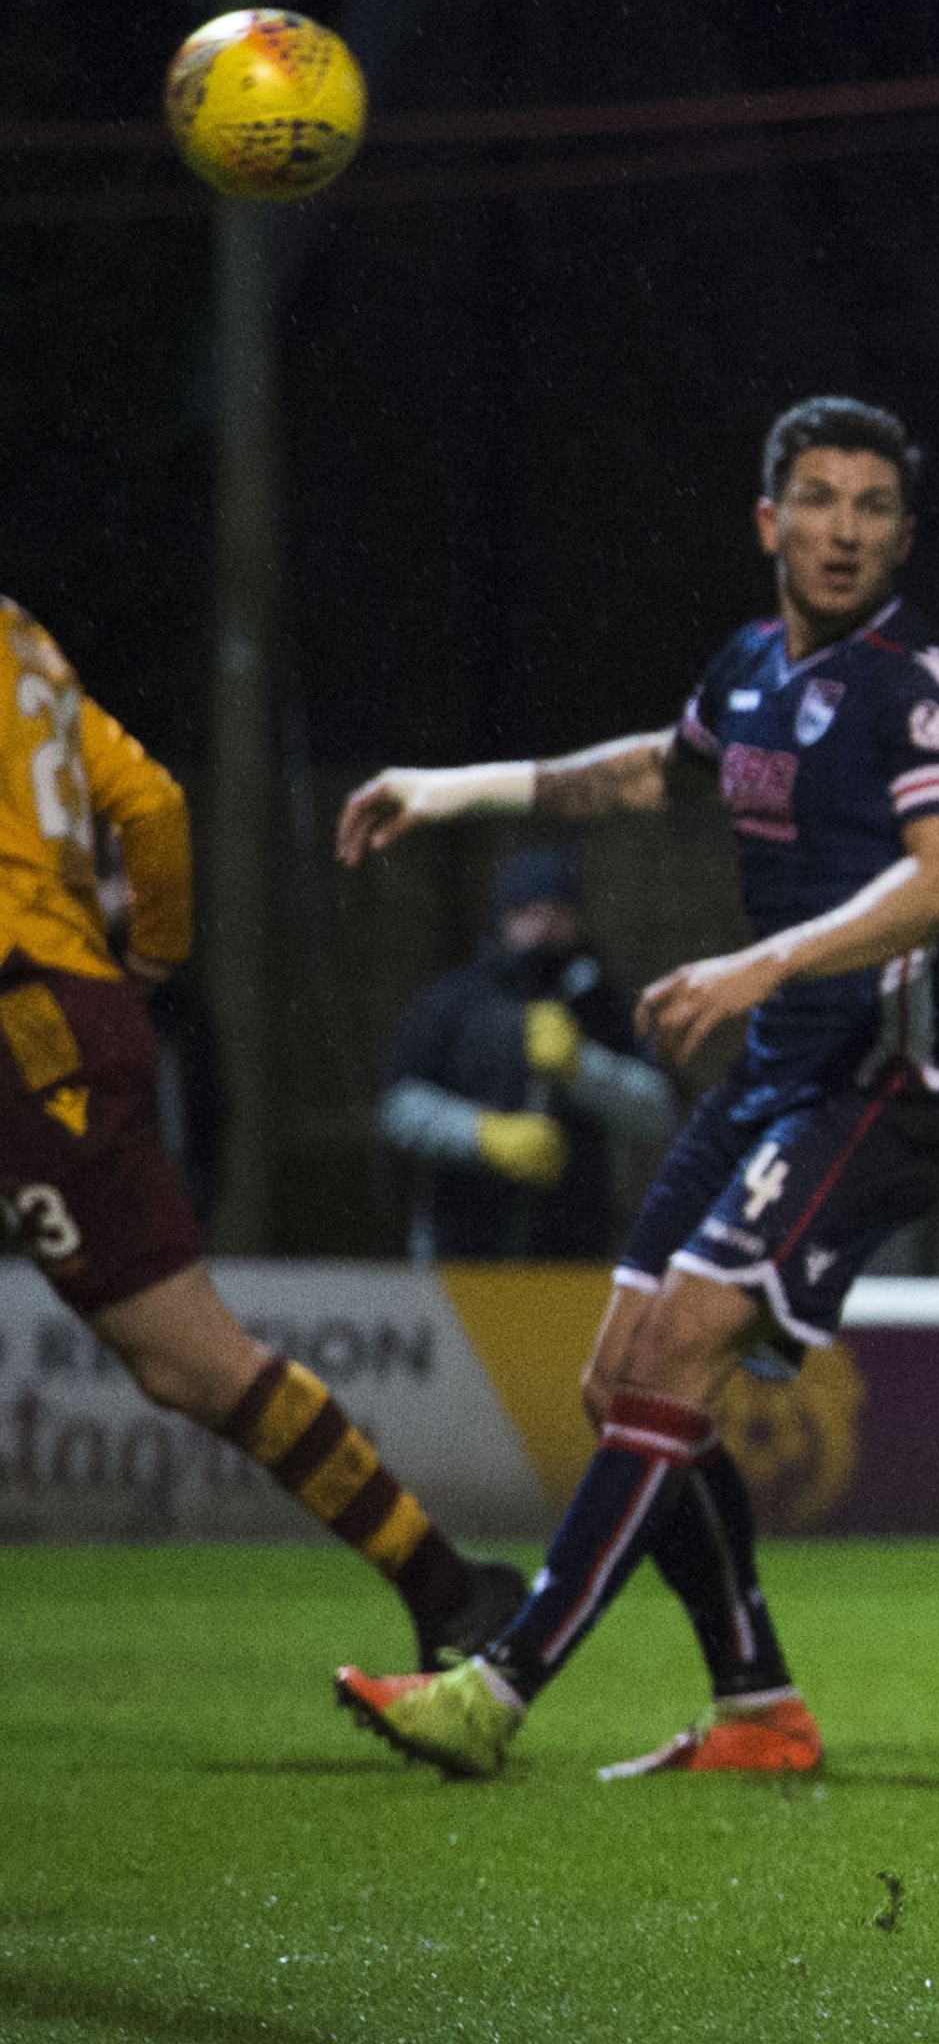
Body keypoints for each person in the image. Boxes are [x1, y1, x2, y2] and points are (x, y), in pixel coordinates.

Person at [325, 396, 939, 1781]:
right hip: (773, 1075)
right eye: (818, 499)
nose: (844, 530)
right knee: (618, 1380)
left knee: (679, 1350)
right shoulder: (750, 668)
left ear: (904, 536)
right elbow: (646, 774)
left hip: (882, 1081)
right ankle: (759, 1707)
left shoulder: (918, 677)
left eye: (873, 508)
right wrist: (449, 791)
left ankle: (494, 1693)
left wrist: (762, 964)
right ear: (769, 521)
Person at [0, 593, 519, 1666]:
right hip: (62, 1005)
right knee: (187, 1363)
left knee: (189, 1361)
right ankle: (450, 1590)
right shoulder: (25, 640)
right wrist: (149, 959)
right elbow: (149, 804)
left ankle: (452, 1591)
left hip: (28, 1030)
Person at [379, 843, 676, 1261]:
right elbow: (399, 1107)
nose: (543, 929)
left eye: (557, 915)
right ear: (504, 919)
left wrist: (581, 1066)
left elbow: (659, 1111)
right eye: (529, 914)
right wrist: (485, 1136)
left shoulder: (608, 1005)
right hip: (460, 1250)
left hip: (577, 1250)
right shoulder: (455, 1000)